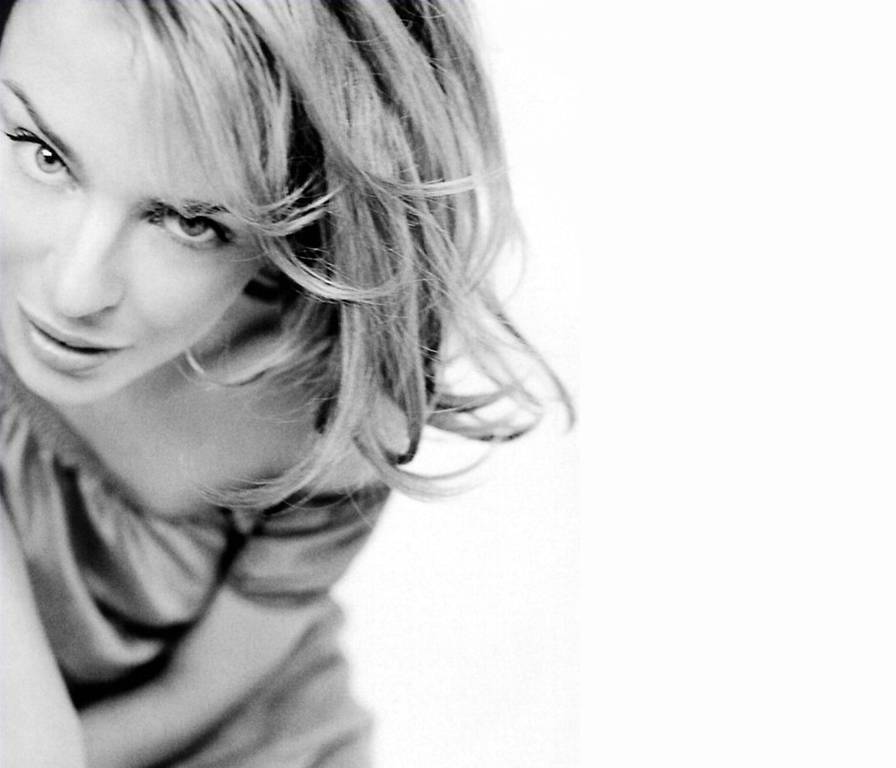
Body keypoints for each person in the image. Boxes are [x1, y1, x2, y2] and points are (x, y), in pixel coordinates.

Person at [0, 0, 570, 765]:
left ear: (296, 224)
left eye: (192, 222)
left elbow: (196, 696)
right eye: (41, 153)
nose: (76, 291)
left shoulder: (328, 410)